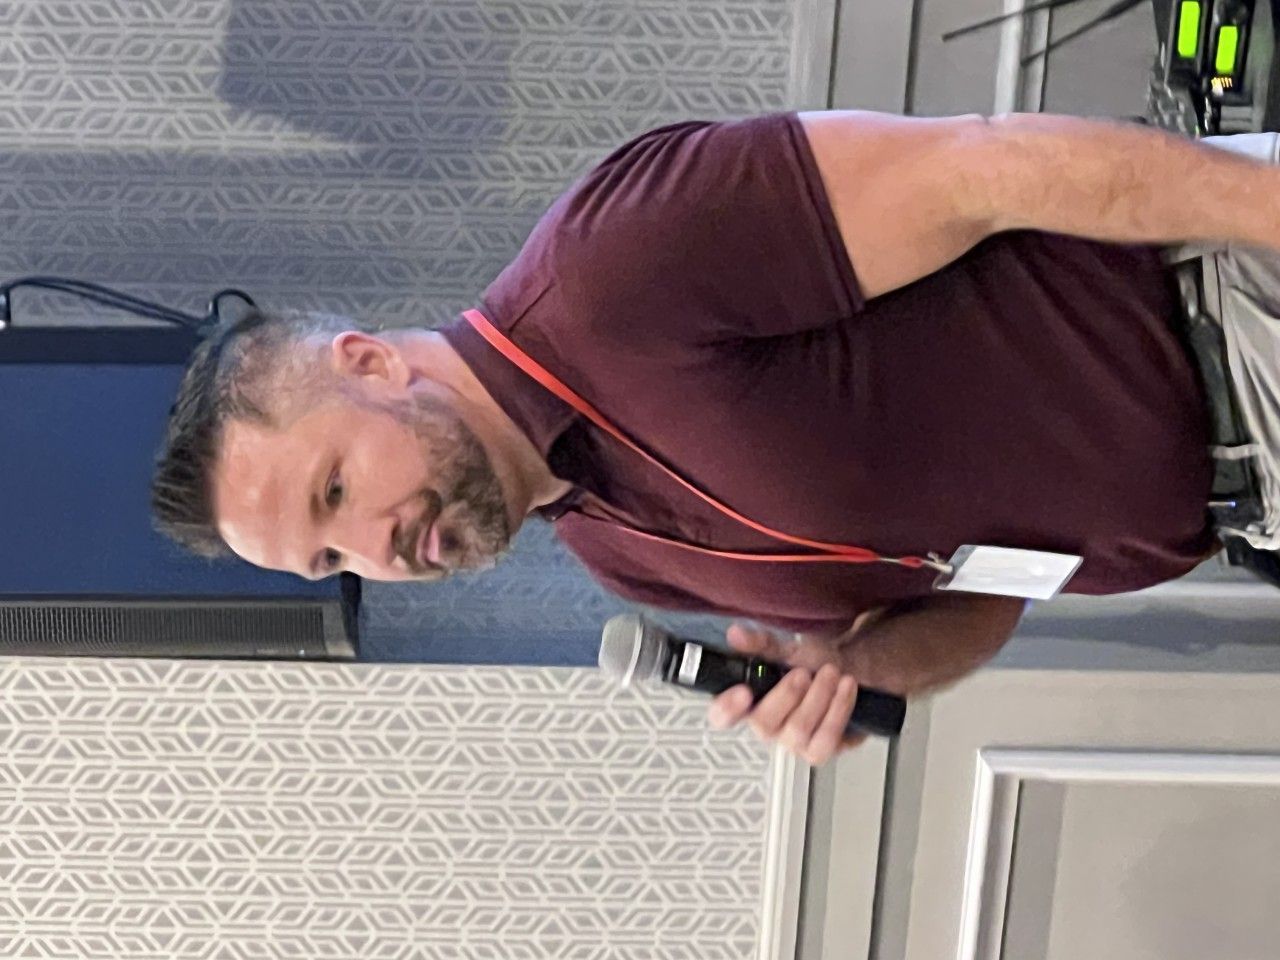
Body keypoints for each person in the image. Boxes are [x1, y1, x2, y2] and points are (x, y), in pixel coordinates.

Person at [151, 109, 1280, 765]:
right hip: (1246, 515)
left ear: (368, 363)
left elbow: (989, 170)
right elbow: (983, 592)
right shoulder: (615, 555)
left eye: (337, 492)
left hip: (1235, 308)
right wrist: (855, 668)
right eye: (334, 561)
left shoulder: (614, 264)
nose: (376, 549)